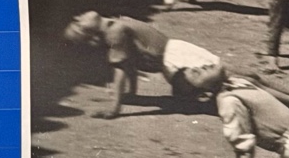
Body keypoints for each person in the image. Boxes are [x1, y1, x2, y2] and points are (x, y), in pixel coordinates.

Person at [62, 11, 222, 119]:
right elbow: (125, 66)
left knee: (217, 79)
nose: (78, 19)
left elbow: (123, 68)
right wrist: (126, 98)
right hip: (173, 59)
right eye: (78, 26)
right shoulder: (114, 30)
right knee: (211, 83)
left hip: (174, 55)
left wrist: (118, 105)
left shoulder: (115, 27)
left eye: (77, 20)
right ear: (92, 37)